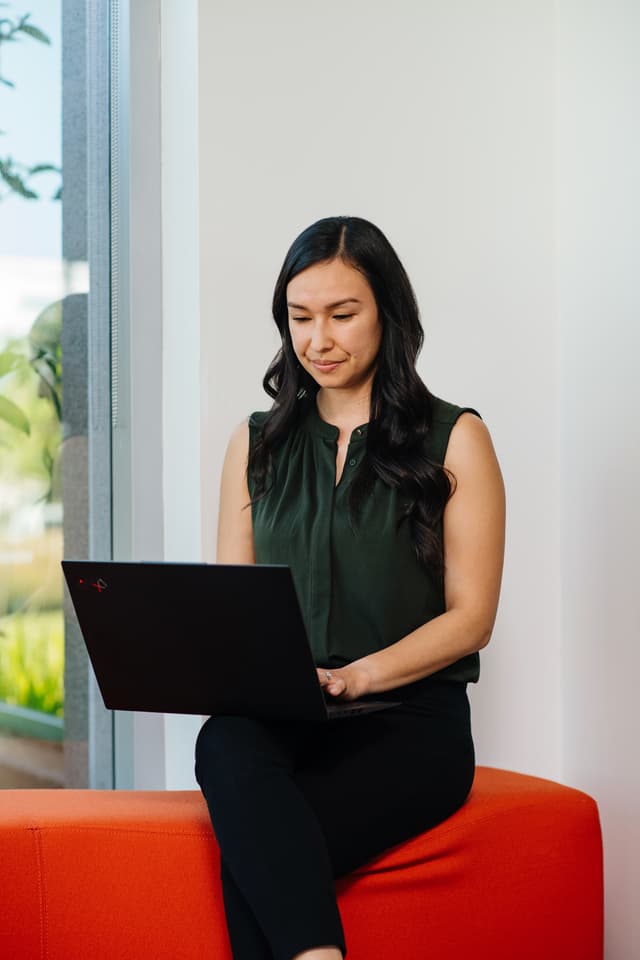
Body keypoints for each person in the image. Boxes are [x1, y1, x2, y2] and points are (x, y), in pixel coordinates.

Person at [194, 215, 506, 960]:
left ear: (387, 313)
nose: (318, 340)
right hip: (292, 715)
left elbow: (472, 617)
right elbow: (236, 609)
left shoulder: (455, 437)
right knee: (224, 740)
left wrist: (358, 675)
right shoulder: (254, 443)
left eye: (342, 314)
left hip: (410, 721)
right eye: (300, 317)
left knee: (258, 861)